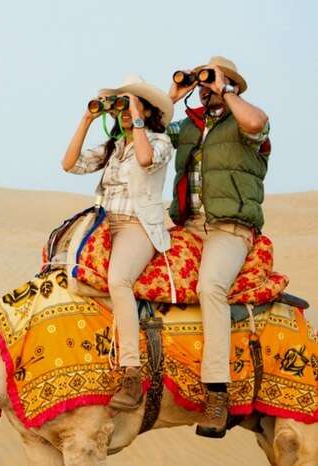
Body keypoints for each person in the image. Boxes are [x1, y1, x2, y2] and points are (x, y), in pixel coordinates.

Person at [167, 56, 270, 437]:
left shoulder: (246, 124)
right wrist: (174, 95)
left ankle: (217, 392)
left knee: (210, 286)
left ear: (232, 85)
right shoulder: (189, 126)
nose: (205, 87)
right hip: (189, 226)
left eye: (213, 80)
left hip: (230, 228)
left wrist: (225, 89)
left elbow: (256, 123)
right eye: (203, 81)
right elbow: (154, 132)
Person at [62, 75, 174, 411]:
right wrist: (87, 118)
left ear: (147, 109)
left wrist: (136, 116)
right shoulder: (113, 147)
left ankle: (131, 371)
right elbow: (69, 164)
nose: (123, 111)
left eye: (130, 103)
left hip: (137, 225)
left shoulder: (159, 141)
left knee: (118, 280)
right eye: (120, 105)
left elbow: (145, 160)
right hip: (103, 224)